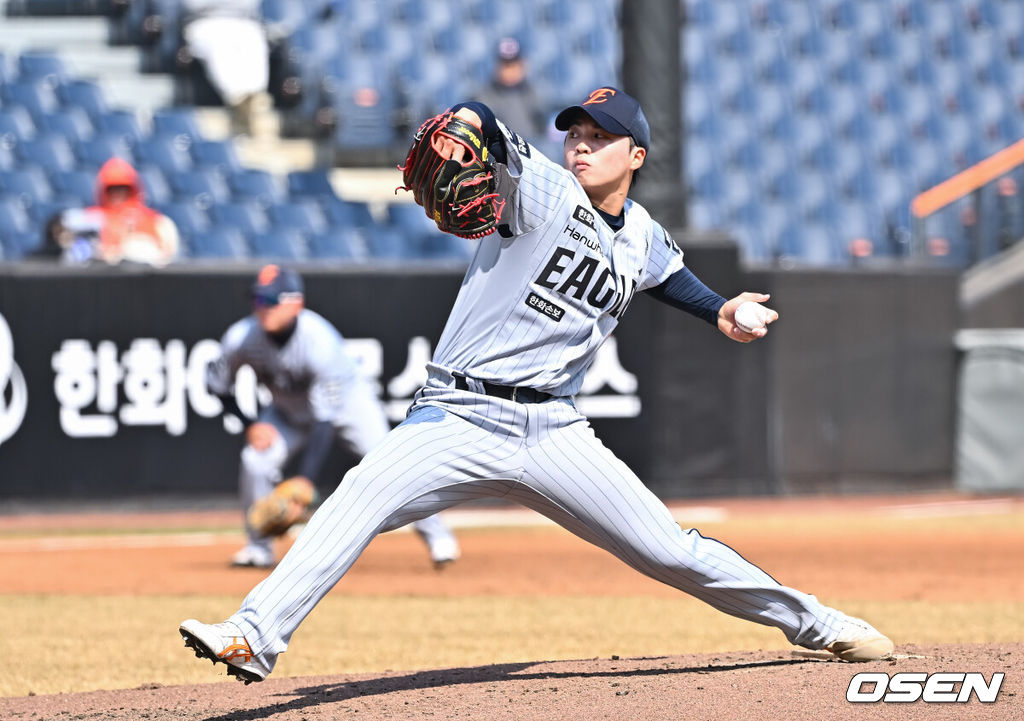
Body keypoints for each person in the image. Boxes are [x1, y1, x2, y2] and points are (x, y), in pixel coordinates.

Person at [180, 87, 894, 683]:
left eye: (600, 137)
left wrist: (722, 311)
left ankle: (817, 622)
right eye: (575, 133)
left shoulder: (641, 232)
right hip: (458, 415)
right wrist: (466, 121)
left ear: (636, 157)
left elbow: (668, 275)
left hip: (554, 432)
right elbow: (484, 119)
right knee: (360, 495)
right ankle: (254, 635)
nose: (581, 145)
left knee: (669, 550)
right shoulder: (544, 190)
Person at [207, 264, 461, 569]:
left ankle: (437, 537)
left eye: (271, 300)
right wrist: (251, 425)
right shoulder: (241, 338)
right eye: (257, 299)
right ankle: (258, 548)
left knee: (391, 465)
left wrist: (306, 480)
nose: (262, 307)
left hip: (349, 405)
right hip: (287, 411)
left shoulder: (318, 341)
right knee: (255, 460)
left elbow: (324, 421)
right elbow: (216, 386)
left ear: (296, 303)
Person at [181, 0, 273, 137]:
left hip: (243, 20)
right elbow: (192, 4)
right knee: (218, 47)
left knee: (255, 42)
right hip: (204, 21)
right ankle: (238, 97)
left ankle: (255, 96)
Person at [84, 157, 180, 266]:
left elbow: (166, 255)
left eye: (123, 189)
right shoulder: (92, 218)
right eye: (112, 189)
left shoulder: (155, 220)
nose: (117, 194)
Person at [472, 37, 549, 148]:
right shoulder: (483, 97)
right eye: (506, 65)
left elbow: (545, 129)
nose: (510, 71)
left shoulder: (535, 93)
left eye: (514, 65)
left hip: (533, 151)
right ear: (496, 66)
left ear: (523, 65)